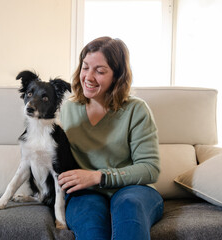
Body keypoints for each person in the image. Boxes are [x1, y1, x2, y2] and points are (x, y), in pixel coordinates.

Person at [58, 36, 164, 240]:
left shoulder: (136, 110)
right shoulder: (67, 108)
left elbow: (150, 168)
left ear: (117, 76)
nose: (88, 77)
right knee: (90, 223)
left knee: (128, 206)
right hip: (85, 193)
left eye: (100, 71)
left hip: (132, 190)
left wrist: (99, 176)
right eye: (85, 67)